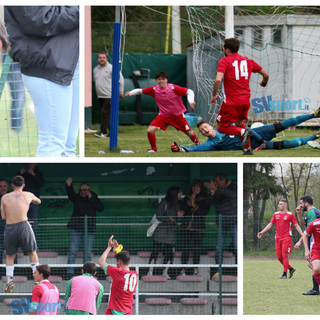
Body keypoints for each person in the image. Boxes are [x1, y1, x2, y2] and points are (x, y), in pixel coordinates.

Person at [4, 6, 79, 157]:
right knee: (53, 144)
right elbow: (38, 19)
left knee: (68, 147)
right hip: (47, 62)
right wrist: (80, 9)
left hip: (69, 62)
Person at [211, 37, 269, 155]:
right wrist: (264, 83)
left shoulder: (224, 61)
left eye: (223, 47)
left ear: (227, 50)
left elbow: (218, 80)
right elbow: (266, 74)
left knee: (221, 127)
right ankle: (247, 149)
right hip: (245, 101)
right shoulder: (248, 61)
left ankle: (243, 132)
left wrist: (214, 95)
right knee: (238, 124)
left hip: (232, 102)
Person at [171, 109, 320, 153]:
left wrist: (261, 140)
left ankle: (313, 115)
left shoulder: (225, 127)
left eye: (205, 127)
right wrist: (181, 149)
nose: (204, 130)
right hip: (258, 145)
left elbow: (246, 129)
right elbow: (196, 149)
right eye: (202, 131)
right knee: (286, 145)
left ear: (211, 126)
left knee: (282, 125)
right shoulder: (212, 143)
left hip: (259, 134)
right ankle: (315, 135)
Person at [125, 71, 200, 152]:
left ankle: (199, 146)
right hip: (163, 116)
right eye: (159, 79)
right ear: (156, 80)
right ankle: (153, 149)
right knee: (150, 131)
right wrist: (131, 93)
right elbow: (140, 91)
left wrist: (191, 101)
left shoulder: (173, 88)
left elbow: (189, 91)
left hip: (178, 116)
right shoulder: (154, 89)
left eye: (163, 79)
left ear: (166, 80)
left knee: (189, 133)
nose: (161, 81)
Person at [0, 175, 41, 293]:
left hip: (10, 227)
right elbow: (39, 201)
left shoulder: (4, 197)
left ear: (11, 185)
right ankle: (37, 279)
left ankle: (9, 281)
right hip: (24, 225)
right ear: (23, 185)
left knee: (9, 255)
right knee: (32, 252)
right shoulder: (28, 194)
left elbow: (3, 216)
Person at [66, 177, 104, 277]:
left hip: (89, 229)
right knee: (73, 251)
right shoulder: (77, 197)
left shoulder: (94, 197)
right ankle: (70, 272)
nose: (83, 192)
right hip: (76, 228)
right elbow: (71, 195)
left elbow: (100, 208)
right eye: (81, 190)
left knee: (87, 253)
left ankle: (87, 273)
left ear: (89, 190)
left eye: (85, 190)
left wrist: (90, 197)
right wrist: (69, 186)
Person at [258, 200, 304, 279]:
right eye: (279, 204)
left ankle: (284, 274)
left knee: (284, 255)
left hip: (287, 237)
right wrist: (262, 232)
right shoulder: (276, 214)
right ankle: (291, 269)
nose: (279, 205)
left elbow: (296, 225)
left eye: (280, 204)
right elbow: (270, 224)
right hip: (277, 238)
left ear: (285, 205)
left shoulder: (290, 215)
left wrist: (302, 234)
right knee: (279, 257)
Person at [147, 186, 184, 279]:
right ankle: (150, 271)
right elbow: (159, 216)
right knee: (155, 250)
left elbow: (180, 219)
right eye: (179, 193)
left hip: (172, 230)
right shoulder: (164, 202)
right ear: (174, 193)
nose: (181, 194)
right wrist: (169, 219)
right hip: (161, 229)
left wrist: (178, 217)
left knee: (169, 251)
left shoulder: (180, 204)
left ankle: (165, 271)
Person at [180, 179, 213, 276]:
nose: (196, 189)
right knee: (185, 248)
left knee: (196, 249)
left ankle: (195, 269)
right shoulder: (187, 198)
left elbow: (203, 212)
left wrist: (194, 204)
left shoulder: (204, 199)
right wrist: (189, 202)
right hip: (186, 227)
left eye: (198, 187)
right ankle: (183, 269)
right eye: (194, 187)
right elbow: (183, 209)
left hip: (198, 228)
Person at [99, 235, 138, 315]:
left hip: (113, 311)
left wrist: (109, 247)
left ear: (119, 262)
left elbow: (101, 262)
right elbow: (122, 267)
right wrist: (117, 251)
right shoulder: (134, 275)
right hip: (127, 312)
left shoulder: (117, 272)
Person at [205, 173, 237, 269]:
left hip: (234, 222)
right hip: (221, 223)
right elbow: (208, 203)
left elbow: (231, 194)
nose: (215, 183)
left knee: (237, 246)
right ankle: (219, 269)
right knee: (219, 247)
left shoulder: (233, 187)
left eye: (217, 181)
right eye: (214, 182)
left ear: (223, 181)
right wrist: (211, 193)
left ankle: (238, 269)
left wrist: (216, 189)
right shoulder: (216, 189)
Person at [93, 52, 124, 138]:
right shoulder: (95, 69)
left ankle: (102, 131)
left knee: (105, 113)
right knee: (107, 114)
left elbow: (120, 79)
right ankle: (112, 132)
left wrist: (120, 91)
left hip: (110, 95)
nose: (102, 59)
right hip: (100, 96)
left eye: (103, 57)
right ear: (97, 59)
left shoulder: (112, 68)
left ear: (106, 59)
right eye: (100, 58)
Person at [294, 196, 320, 295]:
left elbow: (309, 230)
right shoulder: (310, 212)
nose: (300, 205)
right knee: (313, 265)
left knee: (312, 264)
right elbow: (303, 224)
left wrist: (300, 242)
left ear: (306, 204)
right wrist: (299, 213)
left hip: (314, 242)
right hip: (313, 242)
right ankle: (315, 288)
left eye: (301, 203)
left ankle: (315, 289)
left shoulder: (313, 213)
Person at [18, 164, 44, 243]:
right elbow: (15, 185)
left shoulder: (38, 174)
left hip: (34, 202)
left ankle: (35, 247)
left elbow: (41, 183)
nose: (30, 165)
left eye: (32, 163)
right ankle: (21, 248)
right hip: (22, 202)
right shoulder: (22, 174)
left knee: (34, 225)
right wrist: (20, 174)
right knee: (20, 224)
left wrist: (34, 174)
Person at [302, 216, 320, 291]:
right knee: (315, 269)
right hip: (317, 249)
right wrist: (306, 250)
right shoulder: (315, 223)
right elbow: (305, 234)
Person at [0, 179, 9, 264]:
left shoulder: (12, 198)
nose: (2, 188)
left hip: (10, 228)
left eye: (4, 186)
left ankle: (14, 274)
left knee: (12, 252)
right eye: (0, 186)